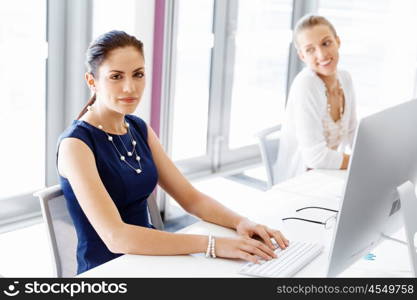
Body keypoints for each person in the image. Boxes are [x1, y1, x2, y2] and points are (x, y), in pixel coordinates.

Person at [57, 30, 289, 274]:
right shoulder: (76, 145)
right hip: (110, 272)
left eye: (138, 74)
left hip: (152, 261)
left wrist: (242, 222)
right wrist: (212, 244)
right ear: (92, 81)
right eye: (116, 76)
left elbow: (191, 198)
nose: (130, 87)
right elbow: (117, 237)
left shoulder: (138, 128)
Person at [274, 14, 358, 183]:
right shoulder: (306, 85)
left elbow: (352, 132)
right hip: (301, 179)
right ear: (302, 56)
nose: (321, 54)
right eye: (310, 49)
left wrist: (377, 154)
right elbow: (315, 157)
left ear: (338, 41)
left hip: (329, 174)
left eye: (326, 43)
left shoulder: (345, 78)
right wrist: (359, 163)